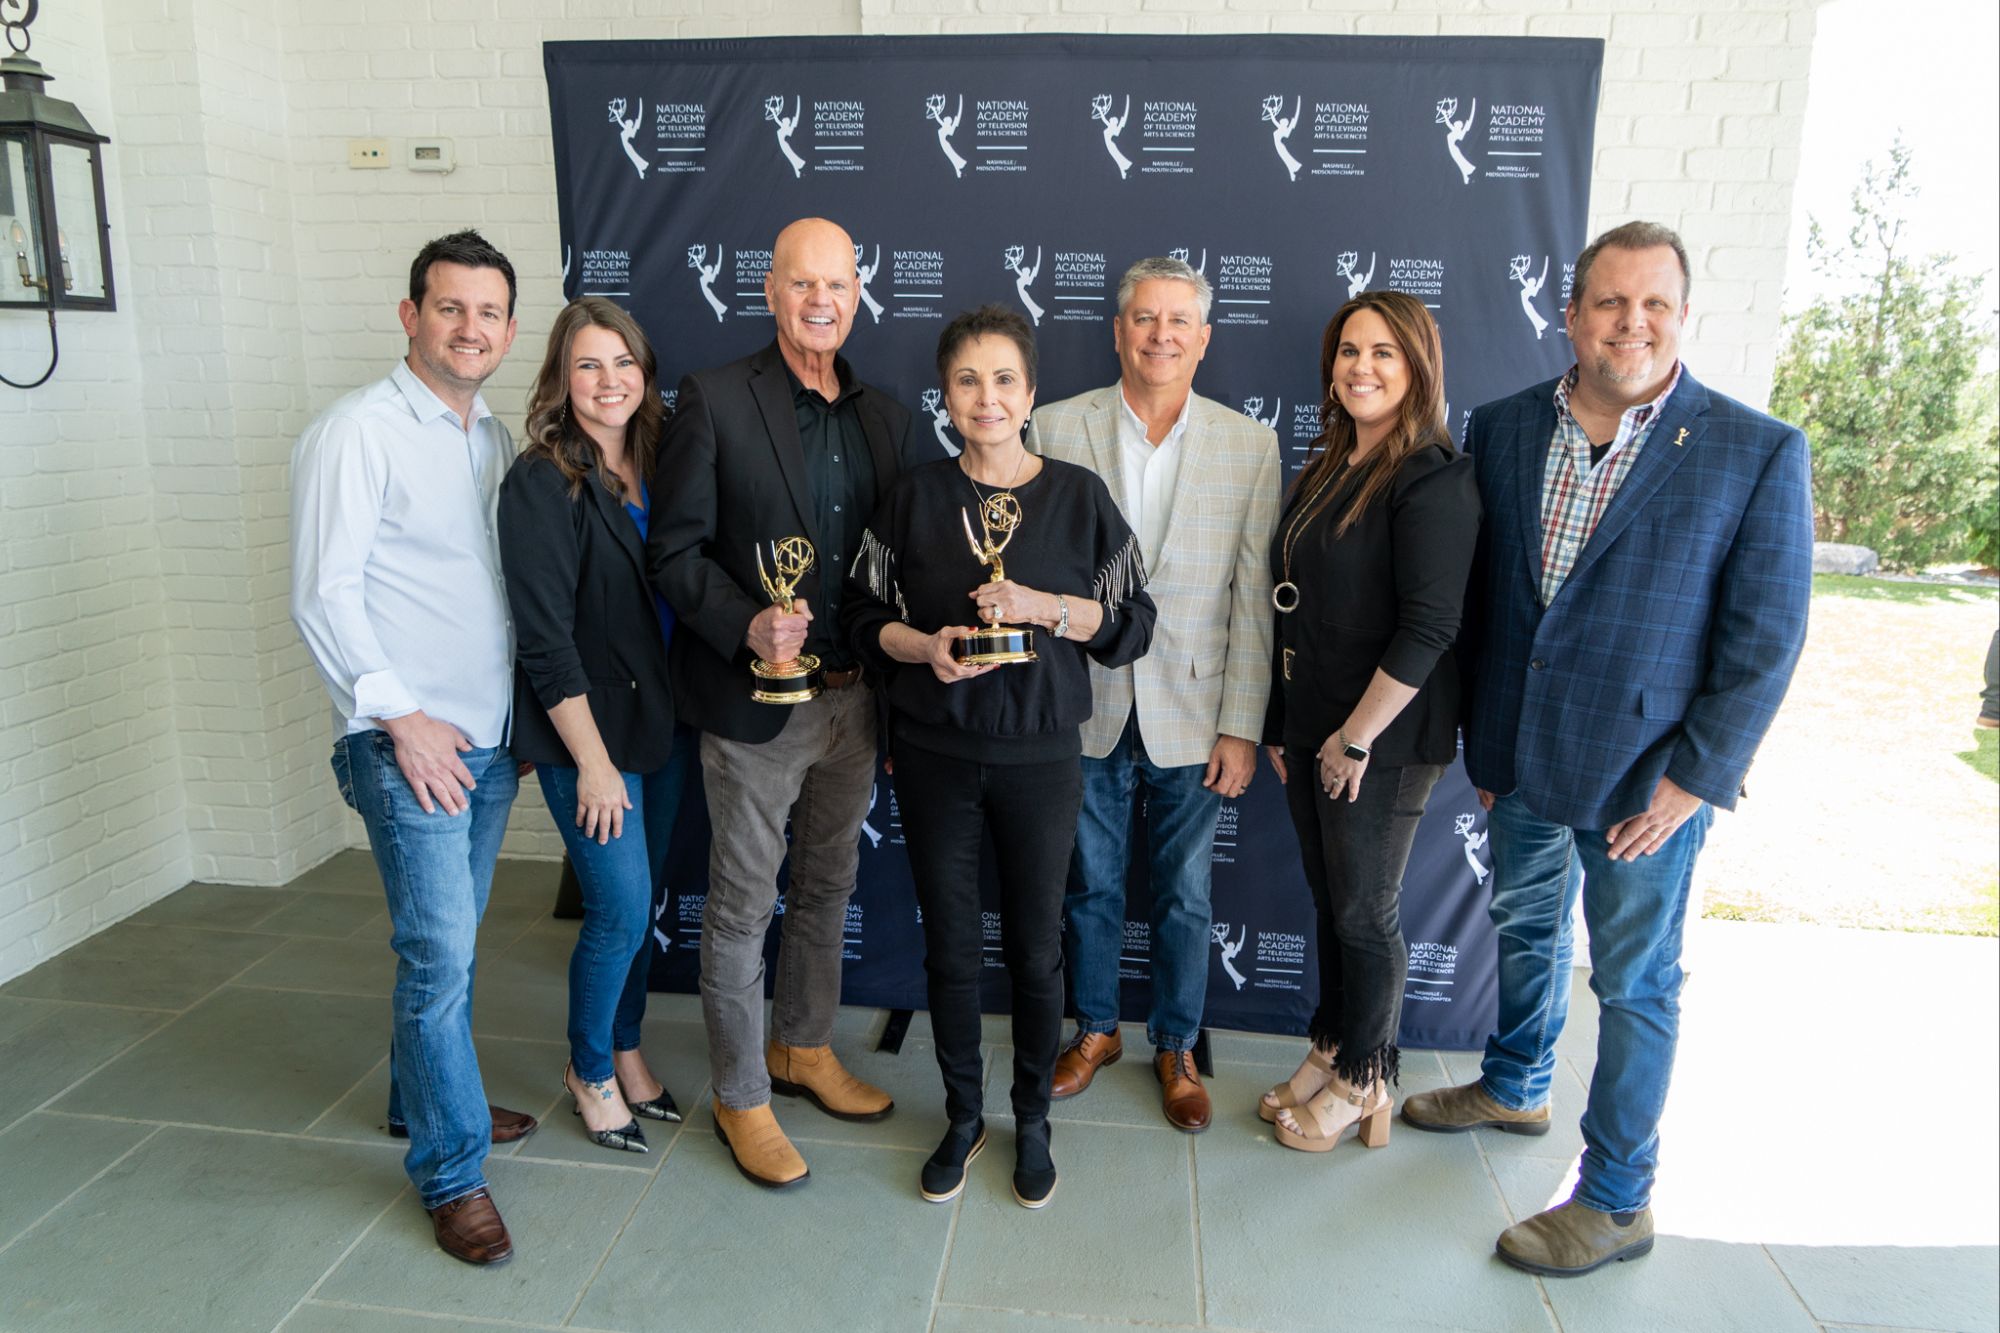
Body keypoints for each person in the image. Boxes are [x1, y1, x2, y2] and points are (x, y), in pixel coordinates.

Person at [1406, 221, 1814, 1276]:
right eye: (1607, 303)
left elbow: (1763, 638)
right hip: (1520, 761)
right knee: (1524, 932)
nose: (1629, 324)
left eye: (1652, 305)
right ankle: (1514, 1083)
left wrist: (1695, 781)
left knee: (1633, 984)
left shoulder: (1751, 449)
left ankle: (1618, 1197)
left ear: (1680, 316)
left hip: (1647, 784)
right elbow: (1486, 605)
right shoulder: (1495, 429)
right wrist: (1482, 752)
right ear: (1570, 313)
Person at [844, 305, 1156, 1208]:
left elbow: (1133, 623)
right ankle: (961, 1116)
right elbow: (862, 618)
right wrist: (921, 646)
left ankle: (1032, 1119)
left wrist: (1048, 606)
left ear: (1032, 392)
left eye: (1004, 379)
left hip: (1042, 757)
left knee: (1033, 948)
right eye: (968, 380)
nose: (987, 397)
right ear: (946, 395)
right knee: (948, 944)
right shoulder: (913, 495)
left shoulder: (1078, 496)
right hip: (936, 752)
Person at [647, 217, 926, 1189]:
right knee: (738, 904)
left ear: (858, 293)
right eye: (802, 283)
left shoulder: (888, 420)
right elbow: (673, 554)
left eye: (838, 284)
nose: (820, 301)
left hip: (856, 704)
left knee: (826, 889)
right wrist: (744, 626)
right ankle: (739, 1093)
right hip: (755, 704)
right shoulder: (714, 399)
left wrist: (905, 697)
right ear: (767, 289)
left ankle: (801, 1048)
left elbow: (900, 578)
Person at [290, 229, 535, 1265]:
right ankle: (451, 1168)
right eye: (448, 308)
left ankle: (417, 1098)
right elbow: (323, 591)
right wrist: (401, 715)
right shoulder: (358, 430)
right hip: (408, 746)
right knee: (437, 954)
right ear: (410, 315)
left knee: (455, 944)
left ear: (508, 331)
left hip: (484, 743)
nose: (468, 328)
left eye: (487, 313)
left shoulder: (493, 438)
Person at [1029, 255, 1278, 1133]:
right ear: (1118, 330)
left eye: (1179, 321)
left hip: (1196, 711)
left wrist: (1242, 724)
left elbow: (1253, 597)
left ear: (1204, 339)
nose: (1160, 334)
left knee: (1186, 892)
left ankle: (1176, 1042)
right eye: (1144, 318)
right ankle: (1096, 1029)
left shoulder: (1250, 444)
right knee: (1087, 883)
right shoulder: (1052, 426)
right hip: (1081, 704)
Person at [1256, 292, 1480, 1152]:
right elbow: (1296, 609)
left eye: (1384, 352)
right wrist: (1287, 722)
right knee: (1331, 900)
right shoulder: (1332, 464)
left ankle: (1367, 1076)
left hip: (1381, 737)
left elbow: (1430, 626)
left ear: (1418, 365)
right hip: (1315, 722)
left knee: (1365, 909)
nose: (1362, 367)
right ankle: (1331, 1042)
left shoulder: (1433, 475)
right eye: (1350, 351)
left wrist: (1355, 736)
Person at [498, 298, 692, 1157]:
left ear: (645, 375)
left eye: (623, 363)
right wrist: (593, 764)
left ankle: (627, 1048)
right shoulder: (542, 480)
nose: (608, 382)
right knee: (615, 908)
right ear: (559, 377)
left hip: (663, 720)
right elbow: (542, 638)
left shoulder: (663, 460)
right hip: (590, 738)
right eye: (587, 365)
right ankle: (587, 1070)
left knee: (641, 902)